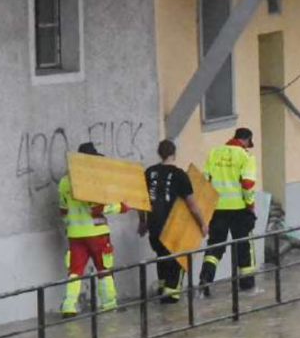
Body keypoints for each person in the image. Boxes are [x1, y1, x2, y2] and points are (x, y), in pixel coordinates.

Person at [57, 142, 129, 317]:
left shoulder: (65, 181)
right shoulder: (92, 180)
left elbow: (63, 210)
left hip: (75, 235)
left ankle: (69, 306)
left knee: (74, 271)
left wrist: (72, 225)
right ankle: (109, 304)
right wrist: (121, 207)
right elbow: (99, 208)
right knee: (104, 269)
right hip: (97, 233)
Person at [138, 140, 208, 304]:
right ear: (174, 154)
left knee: (161, 255)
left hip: (154, 225)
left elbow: (140, 201)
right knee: (178, 258)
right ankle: (171, 295)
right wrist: (202, 223)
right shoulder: (179, 175)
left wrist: (142, 222)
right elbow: (192, 204)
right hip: (173, 225)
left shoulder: (149, 173)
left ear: (159, 153)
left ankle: (163, 288)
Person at [199, 127, 258, 296]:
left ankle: (205, 279)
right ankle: (247, 285)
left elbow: (205, 180)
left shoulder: (214, 153)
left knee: (215, 245)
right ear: (246, 140)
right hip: (239, 209)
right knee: (244, 245)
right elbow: (247, 184)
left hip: (217, 209)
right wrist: (250, 206)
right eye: (248, 144)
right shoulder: (246, 156)